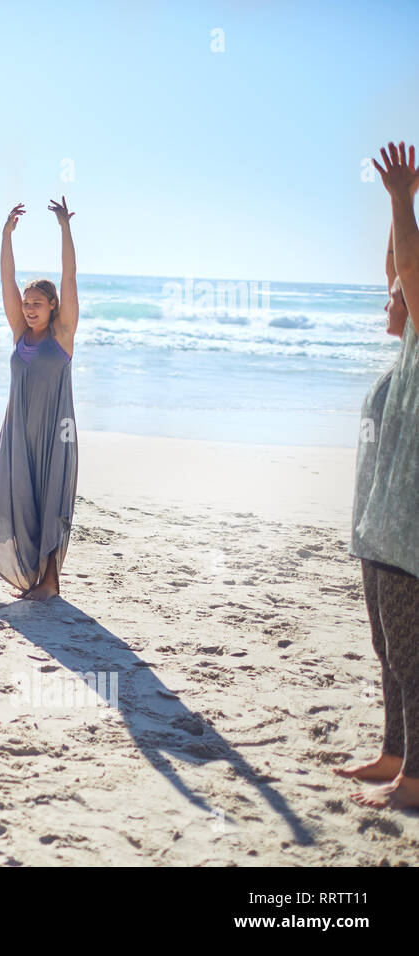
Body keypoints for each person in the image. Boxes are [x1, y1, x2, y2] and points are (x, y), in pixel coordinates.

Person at [340, 141, 419, 811]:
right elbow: (398, 267)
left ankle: (415, 780)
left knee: (414, 658)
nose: (388, 296)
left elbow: (409, 268)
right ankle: (394, 753)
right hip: (378, 529)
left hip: (409, 533)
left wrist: (402, 200)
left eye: (397, 295)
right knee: (387, 648)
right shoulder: (402, 366)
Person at [0, 197, 79, 601]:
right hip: (18, 430)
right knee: (18, 497)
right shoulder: (20, 334)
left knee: (52, 497)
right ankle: (35, 578)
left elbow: (70, 276)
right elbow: (6, 281)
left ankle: (50, 583)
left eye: (37, 304)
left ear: (53, 306)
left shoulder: (62, 334)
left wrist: (64, 229)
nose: (28, 308)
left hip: (57, 430)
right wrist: (5, 237)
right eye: (26, 304)